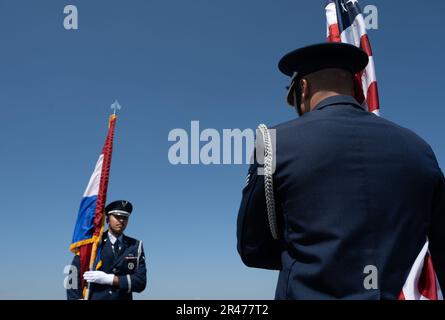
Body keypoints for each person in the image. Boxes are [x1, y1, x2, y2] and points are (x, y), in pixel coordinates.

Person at [236, 42, 445, 299]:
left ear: (302, 88)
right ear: (355, 88)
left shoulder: (273, 142)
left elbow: (253, 248)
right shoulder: (420, 148)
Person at [67, 200, 147, 300]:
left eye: (125, 217)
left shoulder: (135, 246)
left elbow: (140, 282)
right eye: (117, 217)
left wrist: (111, 279)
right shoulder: (93, 243)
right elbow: (73, 276)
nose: (121, 220)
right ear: (107, 220)